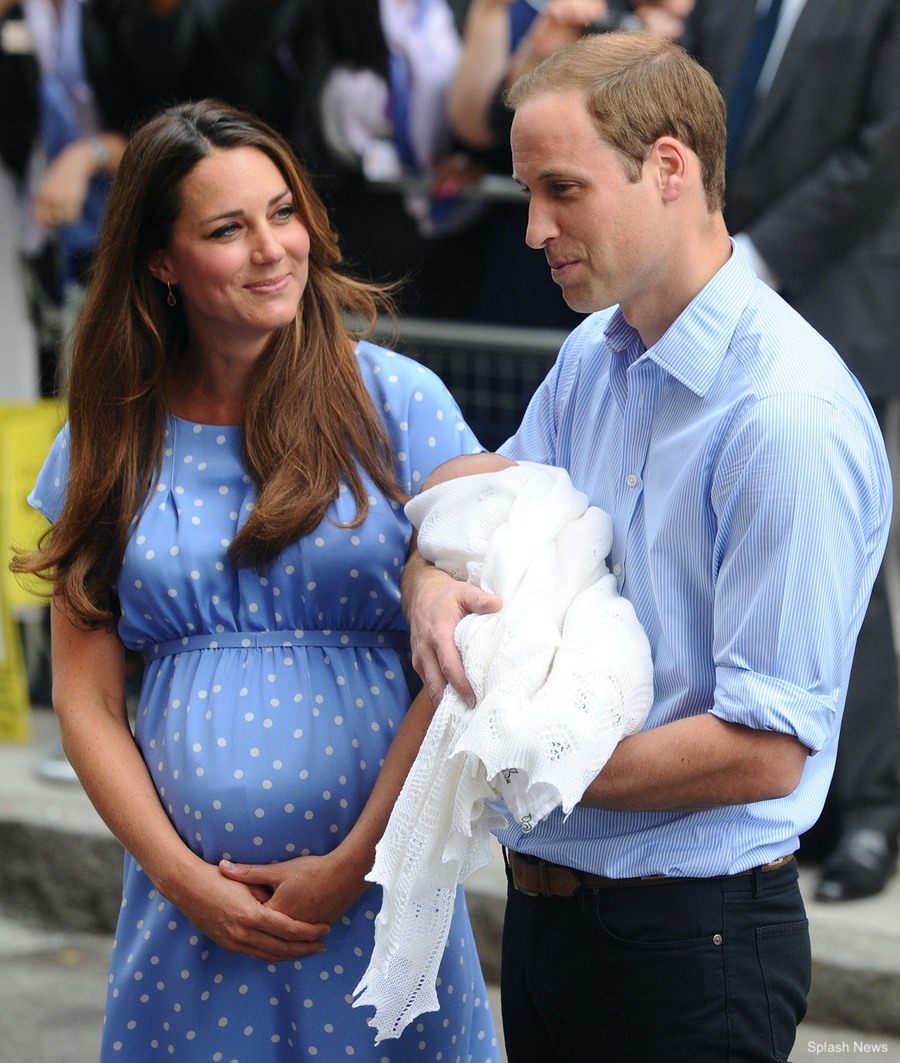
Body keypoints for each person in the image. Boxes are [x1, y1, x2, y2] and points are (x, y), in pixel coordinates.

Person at [402, 31, 892, 1062]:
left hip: (694, 942)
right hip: (553, 917)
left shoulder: (785, 415)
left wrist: (517, 756)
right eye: (526, 191)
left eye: (560, 189)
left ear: (669, 168)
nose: (532, 228)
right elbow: (480, 513)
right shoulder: (594, 352)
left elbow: (766, 745)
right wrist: (426, 578)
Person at [14, 98, 499, 1062]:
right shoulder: (109, 438)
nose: (274, 248)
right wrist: (181, 878)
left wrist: (357, 859)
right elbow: (85, 699)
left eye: (283, 212)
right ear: (161, 260)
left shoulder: (398, 403)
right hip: (187, 910)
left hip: (381, 893)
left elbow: (470, 654)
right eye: (228, 229)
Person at [681, 0, 900, 903]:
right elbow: (687, 120)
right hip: (724, 290)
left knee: (840, 546)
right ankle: (796, 801)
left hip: (839, 288)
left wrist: (758, 253)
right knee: (740, 537)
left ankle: (873, 808)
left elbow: (885, 147)